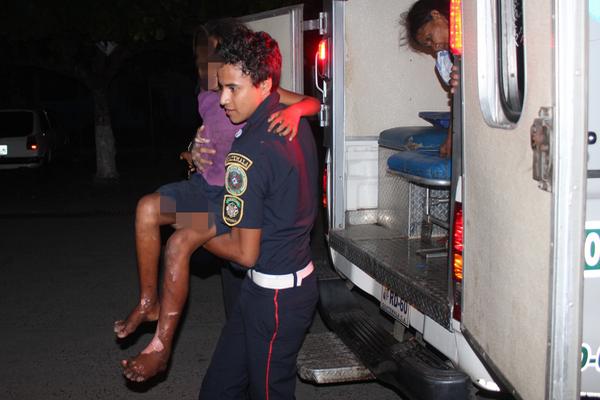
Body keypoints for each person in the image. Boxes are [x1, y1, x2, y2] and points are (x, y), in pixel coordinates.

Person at [115, 21, 320, 383]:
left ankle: (161, 347)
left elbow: (310, 102)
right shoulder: (211, 92)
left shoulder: (252, 100)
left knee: (180, 243)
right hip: (203, 187)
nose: (207, 65)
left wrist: (294, 112)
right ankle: (148, 302)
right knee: (146, 208)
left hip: (230, 199)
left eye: (213, 54)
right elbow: (209, 137)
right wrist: (191, 150)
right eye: (202, 57)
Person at [195, 29, 319, 399]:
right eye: (221, 87)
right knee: (219, 389)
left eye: (233, 89)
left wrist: (190, 224)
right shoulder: (291, 120)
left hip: (276, 298)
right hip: (265, 288)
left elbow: (243, 252)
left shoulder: (248, 151)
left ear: (264, 85)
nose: (222, 99)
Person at [403, 0, 458, 157]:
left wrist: (451, 138)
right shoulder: (449, 58)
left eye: (429, 37)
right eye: (428, 45)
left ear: (436, 15)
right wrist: (451, 137)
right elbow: (458, 97)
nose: (434, 47)